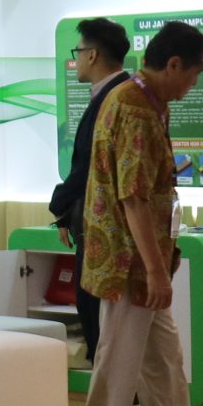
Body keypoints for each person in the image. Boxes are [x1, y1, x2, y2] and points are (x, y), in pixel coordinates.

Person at [77, 21, 203, 406]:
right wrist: (153, 269)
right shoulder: (135, 108)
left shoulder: (144, 101)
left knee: (164, 363)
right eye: (194, 74)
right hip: (129, 265)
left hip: (142, 261)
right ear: (173, 64)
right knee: (117, 365)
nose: (193, 85)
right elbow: (133, 197)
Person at [48, 18, 133, 363]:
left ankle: (114, 395)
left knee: (100, 318)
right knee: (94, 313)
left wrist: (59, 202)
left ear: (93, 55)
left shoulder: (117, 98)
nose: (77, 60)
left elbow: (90, 165)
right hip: (92, 221)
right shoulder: (112, 94)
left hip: (107, 231)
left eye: (78, 51)